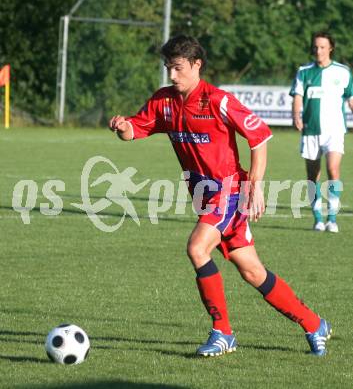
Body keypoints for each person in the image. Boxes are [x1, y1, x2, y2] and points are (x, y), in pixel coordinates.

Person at [109, 35, 331, 357]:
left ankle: (222, 332)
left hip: (230, 191)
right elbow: (135, 130)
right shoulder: (164, 101)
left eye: (178, 68)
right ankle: (314, 323)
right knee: (253, 272)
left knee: (197, 248)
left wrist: (254, 185)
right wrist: (121, 126)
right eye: (168, 68)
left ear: (197, 65)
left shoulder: (217, 100)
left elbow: (260, 136)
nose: (172, 75)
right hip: (204, 197)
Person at [290, 31, 353, 233]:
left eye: (323, 47)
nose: (319, 50)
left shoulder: (343, 72)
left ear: (330, 48)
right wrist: (296, 116)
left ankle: (332, 218)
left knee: (333, 170)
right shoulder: (304, 71)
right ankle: (317, 218)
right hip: (311, 131)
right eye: (316, 47)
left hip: (335, 130)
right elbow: (298, 97)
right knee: (312, 174)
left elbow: (351, 98)